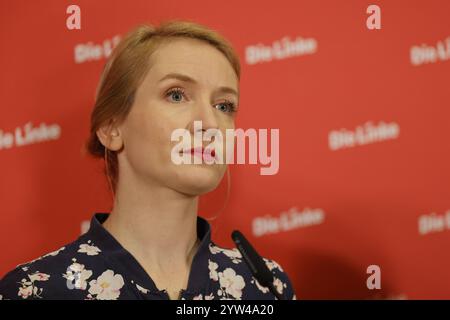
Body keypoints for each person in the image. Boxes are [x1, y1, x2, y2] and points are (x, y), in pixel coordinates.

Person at [0, 20, 296, 300]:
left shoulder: (264, 285)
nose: (210, 123)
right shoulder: (36, 290)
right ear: (111, 128)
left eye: (224, 105)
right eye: (176, 95)